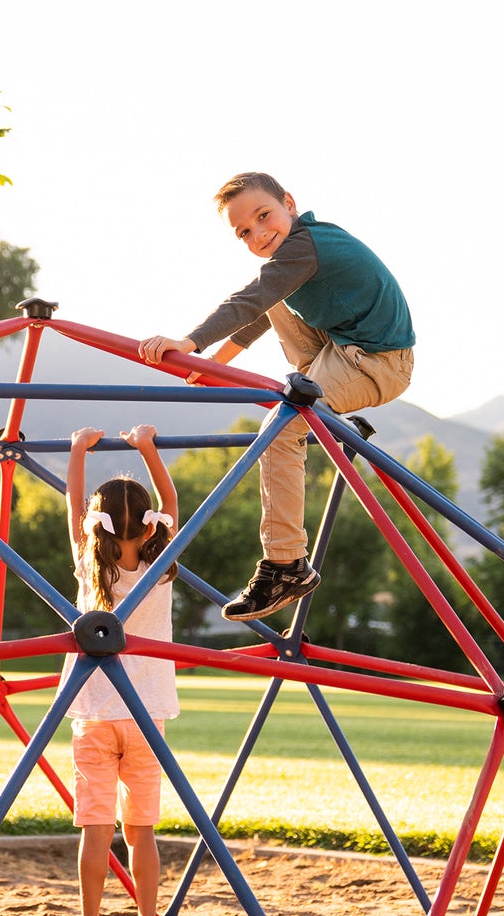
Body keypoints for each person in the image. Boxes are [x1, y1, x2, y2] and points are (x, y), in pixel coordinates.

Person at [139, 171, 414, 622]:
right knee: (276, 296)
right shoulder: (297, 252)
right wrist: (219, 359)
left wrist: (193, 342)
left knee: (282, 428)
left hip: (377, 362)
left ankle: (287, 564)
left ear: (289, 202)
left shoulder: (308, 245)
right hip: (339, 350)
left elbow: (251, 298)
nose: (259, 233)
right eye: (244, 232)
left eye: (263, 216)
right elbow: (267, 304)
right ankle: (323, 411)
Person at [62, 424, 180, 916]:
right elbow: (174, 503)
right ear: (151, 524)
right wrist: (150, 448)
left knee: (95, 830)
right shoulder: (161, 566)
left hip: (94, 711)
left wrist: (76, 452)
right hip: (147, 715)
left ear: (97, 520)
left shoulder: (93, 564)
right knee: (142, 831)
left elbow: (70, 503)